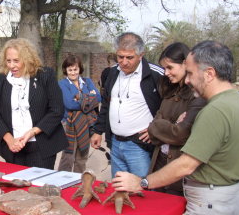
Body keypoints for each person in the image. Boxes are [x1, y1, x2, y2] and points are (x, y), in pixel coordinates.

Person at [112, 41, 239, 215]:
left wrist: (142, 181)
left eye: (191, 73)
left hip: (209, 207)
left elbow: (186, 165)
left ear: (210, 73)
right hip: (233, 198)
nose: (189, 79)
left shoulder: (215, 110)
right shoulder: (237, 100)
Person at [91, 32, 164, 178]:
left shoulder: (155, 74)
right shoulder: (113, 72)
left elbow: (171, 106)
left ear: (141, 55)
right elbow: (106, 104)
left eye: (129, 57)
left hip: (139, 146)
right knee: (119, 191)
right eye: (120, 57)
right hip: (116, 144)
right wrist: (98, 131)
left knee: (142, 192)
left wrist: (157, 128)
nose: (124, 62)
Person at [0, 38, 69, 169]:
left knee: (38, 186)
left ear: (27, 59)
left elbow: (56, 110)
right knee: (15, 185)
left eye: (16, 60)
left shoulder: (45, 75)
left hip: (41, 145)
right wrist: (10, 140)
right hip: (13, 146)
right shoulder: (1, 79)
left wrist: (32, 132)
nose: (11, 65)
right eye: (8, 61)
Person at [147, 43, 207, 196]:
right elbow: (153, 128)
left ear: (185, 64)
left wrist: (161, 127)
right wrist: (171, 125)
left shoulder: (197, 95)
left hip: (179, 176)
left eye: (170, 67)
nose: (166, 73)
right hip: (160, 165)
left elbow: (182, 133)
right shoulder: (169, 91)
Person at [58, 55, 101, 173]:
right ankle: (62, 182)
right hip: (69, 124)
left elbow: (98, 98)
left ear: (80, 69)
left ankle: (78, 183)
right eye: (70, 69)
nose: (73, 72)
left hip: (86, 123)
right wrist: (89, 98)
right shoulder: (63, 84)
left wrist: (80, 99)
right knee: (68, 157)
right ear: (66, 70)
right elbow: (70, 104)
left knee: (82, 157)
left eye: (75, 69)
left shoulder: (87, 81)